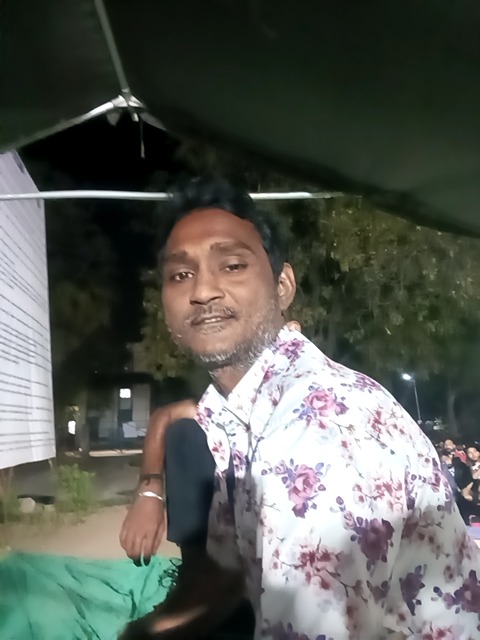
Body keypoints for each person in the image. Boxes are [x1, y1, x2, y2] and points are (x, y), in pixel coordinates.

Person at [120, 178, 480, 639]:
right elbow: (227, 572)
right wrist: (144, 631)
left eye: (232, 265)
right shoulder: (234, 414)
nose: (203, 290)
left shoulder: (315, 436)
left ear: (283, 285)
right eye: (180, 275)